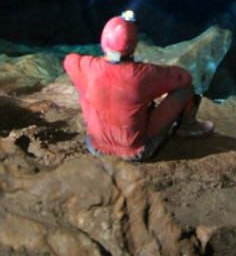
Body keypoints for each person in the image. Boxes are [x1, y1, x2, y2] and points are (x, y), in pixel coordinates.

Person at [64, 9, 213, 161]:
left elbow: (69, 60)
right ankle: (187, 126)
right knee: (185, 89)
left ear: (103, 40)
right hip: (136, 152)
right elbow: (184, 77)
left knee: (82, 83)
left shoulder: (85, 66)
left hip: (94, 146)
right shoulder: (143, 74)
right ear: (134, 45)